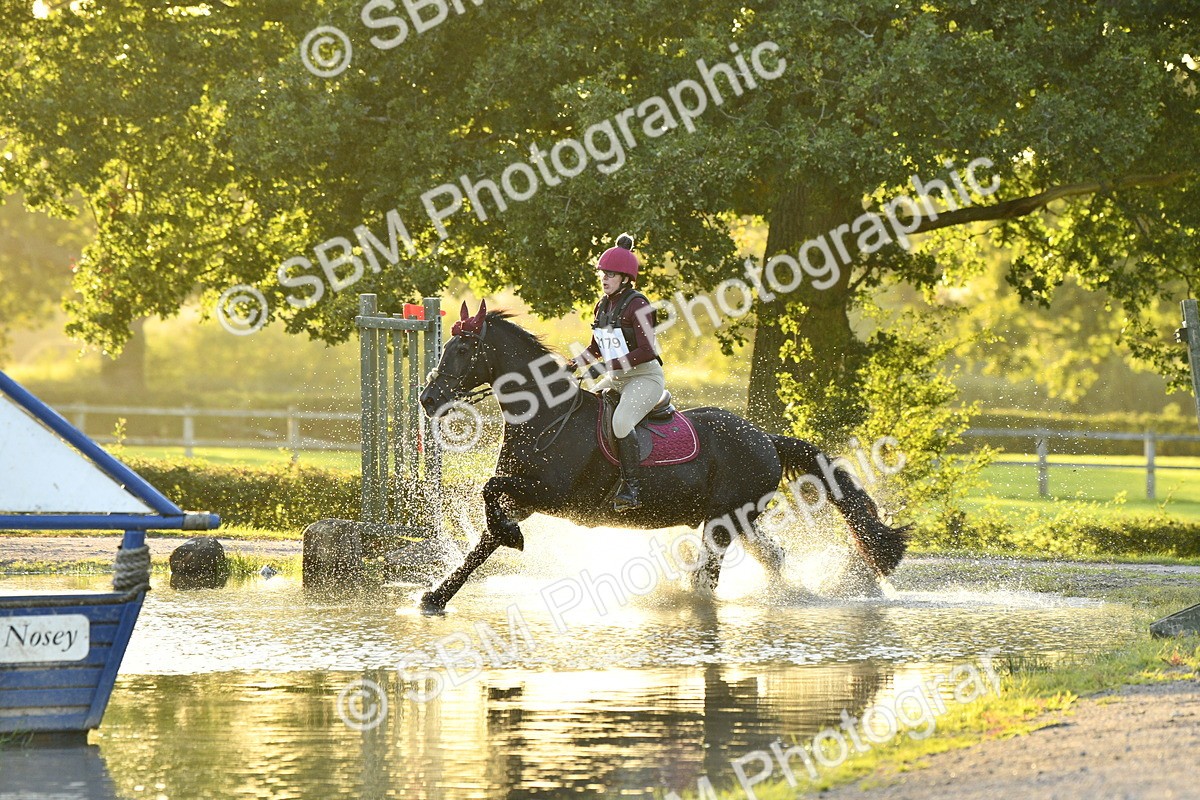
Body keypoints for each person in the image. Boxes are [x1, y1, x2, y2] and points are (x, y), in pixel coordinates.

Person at [567, 233, 665, 512]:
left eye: (611, 274)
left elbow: (647, 350)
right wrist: (573, 363)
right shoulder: (603, 305)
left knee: (621, 422)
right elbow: (596, 347)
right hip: (617, 377)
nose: (604, 278)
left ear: (625, 278)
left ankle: (632, 488)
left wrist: (610, 366)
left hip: (644, 377)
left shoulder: (639, 305)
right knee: (580, 410)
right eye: (602, 273)